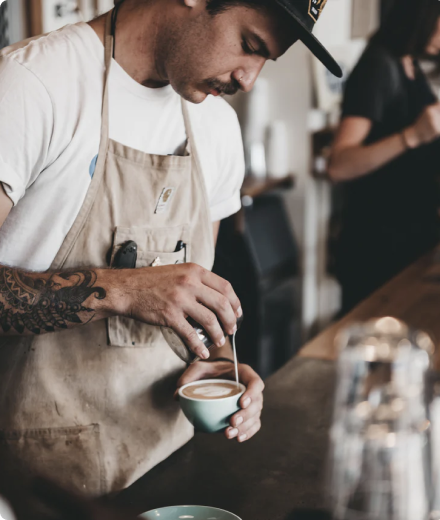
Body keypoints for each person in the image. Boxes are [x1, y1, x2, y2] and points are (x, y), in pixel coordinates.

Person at [0, 0, 341, 496]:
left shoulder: (218, 129)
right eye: (249, 46)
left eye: (265, 59)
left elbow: (196, 295)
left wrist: (219, 363)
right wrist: (119, 289)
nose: (249, 79)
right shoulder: (30, 86)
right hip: (36, 486)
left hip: (167, 466)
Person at [328, 0, 440, 315]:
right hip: (377, 249)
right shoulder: (378, 66)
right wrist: (413, 136)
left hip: (411, 241)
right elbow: (339, 165)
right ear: (423, 14)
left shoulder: (409, 64)